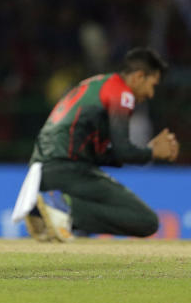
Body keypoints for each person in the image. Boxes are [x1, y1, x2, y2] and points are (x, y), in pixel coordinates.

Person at [16, 47, 179, 241]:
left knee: (99, 205)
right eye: (152, 84)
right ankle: (61, 207)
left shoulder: (97, 84)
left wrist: (148, 151)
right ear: (138, 77)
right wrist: (152, 152)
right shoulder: (122, 94)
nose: (151, 94)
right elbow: (124, 151)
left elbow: (102, 154)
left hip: (42, 171)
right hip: (67, 168)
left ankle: (49, 214)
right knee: (146, 221)